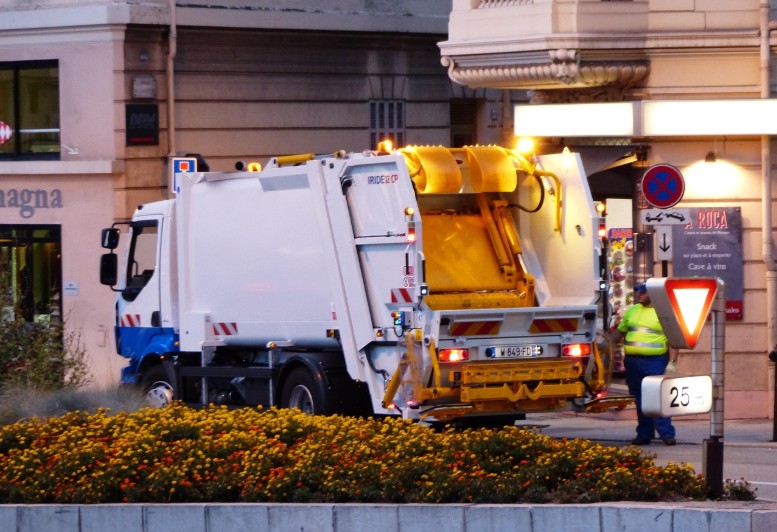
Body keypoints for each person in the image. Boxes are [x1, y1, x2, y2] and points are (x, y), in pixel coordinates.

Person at [611, 282, 678, 446]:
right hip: (633, 362)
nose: (638, 295)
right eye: (637, 292)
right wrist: (605, 344)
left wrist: (672, 363)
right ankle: (644, 434)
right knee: (640, 399)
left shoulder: (663, 313)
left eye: (642, 292)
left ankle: (667, 434)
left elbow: (673, 340)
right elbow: (619, 332)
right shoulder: (633, 311)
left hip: (655, 361)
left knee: (657, 398)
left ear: (653, 294)